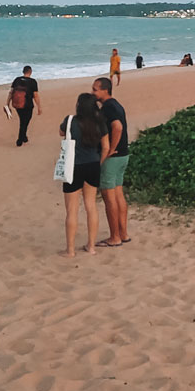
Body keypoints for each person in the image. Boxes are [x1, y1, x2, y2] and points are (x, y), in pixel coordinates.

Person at [59, 93, 108, 257]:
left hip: (73, 166)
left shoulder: (70, 120)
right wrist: (98, 163)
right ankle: (91, 246)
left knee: (72, 210)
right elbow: (106, 147)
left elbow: (61, 133)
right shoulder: (99, 123)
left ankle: (70, 250)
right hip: (93, 165)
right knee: (91, 206)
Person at [92, 77, 130, 248]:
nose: (93, 93)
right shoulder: (117, 104)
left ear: (105, 90)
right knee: (118, 194)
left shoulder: (108, 107)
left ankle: (115, 236)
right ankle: (123, 233)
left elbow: (118, 127)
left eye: (95, 89)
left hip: (113, 157)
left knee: (109, 198)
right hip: (123, 155)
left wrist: (110, 149)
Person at [7, 65, 42, 147]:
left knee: (23, 120)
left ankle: (24, 137)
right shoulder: (33, 81)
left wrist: (7, 103)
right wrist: (39, 107)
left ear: (23, 71)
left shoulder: (17, 80)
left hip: (17, 104)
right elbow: (35, 95)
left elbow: (11, 92)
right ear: (30, 72)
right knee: (25, 122)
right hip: (28, 105)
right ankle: (20, 140)